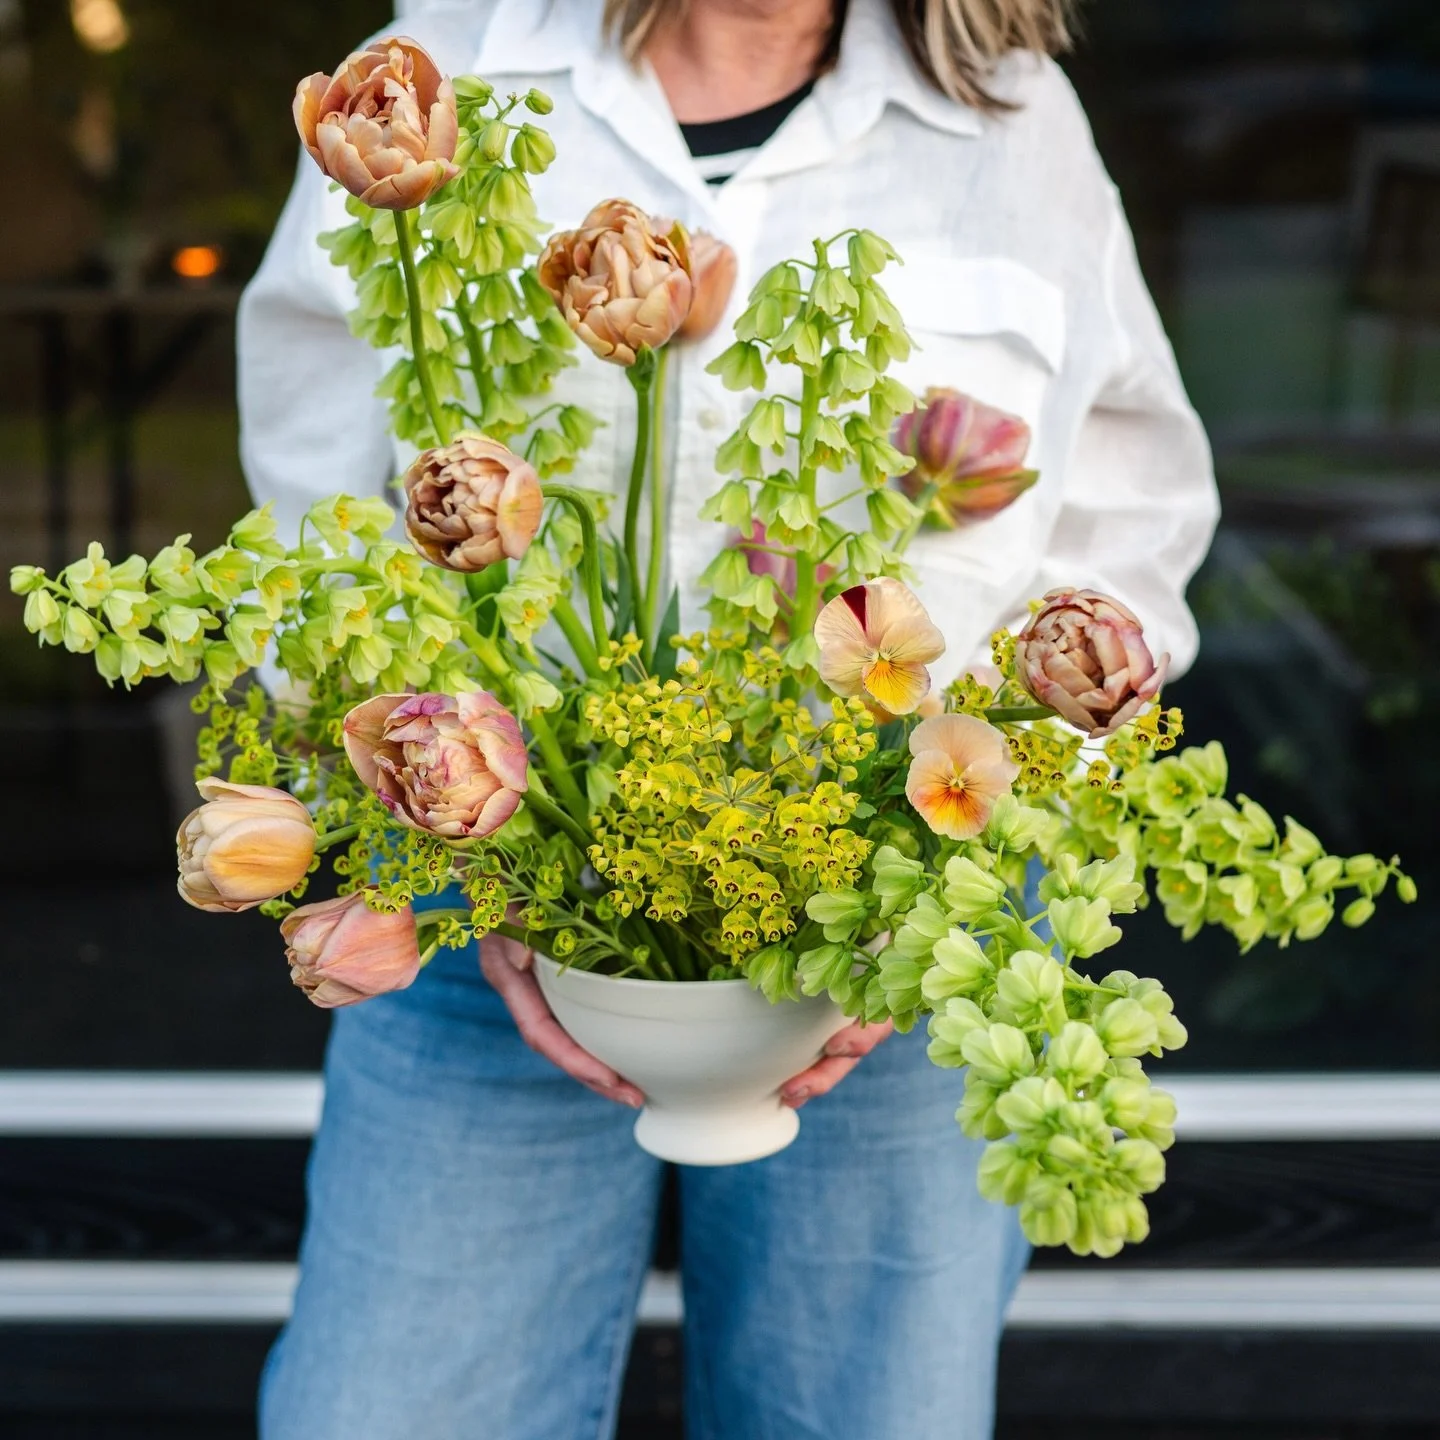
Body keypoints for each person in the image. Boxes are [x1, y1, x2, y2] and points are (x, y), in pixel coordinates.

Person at [240, 1, 1219, 1436]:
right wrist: (472, 844)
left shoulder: (1009, 125)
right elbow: (312, 521)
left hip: (905, 945)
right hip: (486, 925)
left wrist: (964, 851)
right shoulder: (444, 69)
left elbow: (1125, 521)